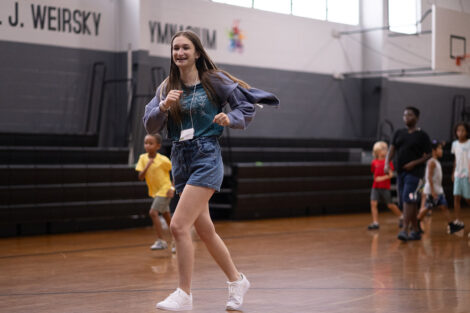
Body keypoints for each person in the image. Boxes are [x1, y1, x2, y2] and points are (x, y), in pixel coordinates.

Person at [143, 31, 279, 311]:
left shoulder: (214, 80)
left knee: (180, 225)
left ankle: (184, 293)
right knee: (205, 230)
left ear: (196, 53)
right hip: (181, 157)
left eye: (185, 48)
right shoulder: (166, 86)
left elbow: (245, 104)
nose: (179, 52)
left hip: (206, 155)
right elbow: (149, 124)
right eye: (175, 48)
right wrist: (163, 107)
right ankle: (237, 280)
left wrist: (230, 118)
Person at [385, 106, 431, 242]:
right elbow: (391, 149)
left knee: (407, 198)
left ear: (416, 118)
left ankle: (405, 229)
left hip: (415, 173)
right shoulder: (398, 133)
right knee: (407, 202)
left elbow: (428, 155)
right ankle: (416, 230)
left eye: (410, 115)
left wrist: (414, 163)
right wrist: (387, 163)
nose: (406, 118)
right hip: (401, 173)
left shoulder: (422, 135)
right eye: (405, 115)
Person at [136, 133, 176, 252]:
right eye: (146, 143)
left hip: (165, 190)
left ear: (158, 146)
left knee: (153, 212)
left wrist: (172, 188)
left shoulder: (163, 160)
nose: (148, 145)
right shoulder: (143, 158)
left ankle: (161, 241)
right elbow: (140, 177)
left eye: (151, 143)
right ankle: (178, 240)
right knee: (167, 217)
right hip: (155, 191)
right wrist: (147, 165)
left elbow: (176, 173)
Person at [417, 140, 464, 234]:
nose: (441, 151)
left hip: (437, 190)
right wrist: (433, 191)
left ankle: (451, 225)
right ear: (434, 151)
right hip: (432, 191)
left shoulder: (435, 161)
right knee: (427, 208)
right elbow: (429, 177)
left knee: (443, 206)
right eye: (439, 149)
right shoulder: (432, 162)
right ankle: (416, 222)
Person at [367, 141, 403, 230]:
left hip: (385, 187)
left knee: (390, 205)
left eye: (386, 149)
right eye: (383, 149)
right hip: (375, 187)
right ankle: (375, 222)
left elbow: (390, 175)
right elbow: (374, 173)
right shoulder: (374, 162)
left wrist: (381, 178)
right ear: (378, 151)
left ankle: (402, 217)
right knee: (373, 203)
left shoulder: (388, 162)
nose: (385, 150)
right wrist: (376, 179)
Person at [450, 122, 469, 230]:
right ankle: (458, 220)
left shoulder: (469, 143)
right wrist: (453, 172)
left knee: (467, 198)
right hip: (458, 174)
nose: (460, 132)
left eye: (462, 130)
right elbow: (456, 160)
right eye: (458, 130)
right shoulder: (455, 144)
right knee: (456, 196)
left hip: (467, 174)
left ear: (466, 132)